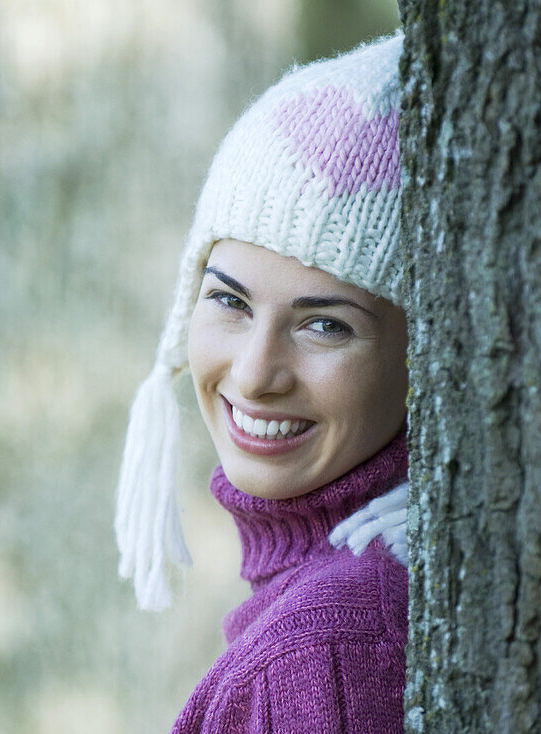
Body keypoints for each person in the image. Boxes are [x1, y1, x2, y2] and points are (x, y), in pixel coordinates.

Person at [114, 33, 410, 733]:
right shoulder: (328, 607)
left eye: (325, 326)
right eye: (230, 302)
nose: (253, 374)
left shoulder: (322, 649)